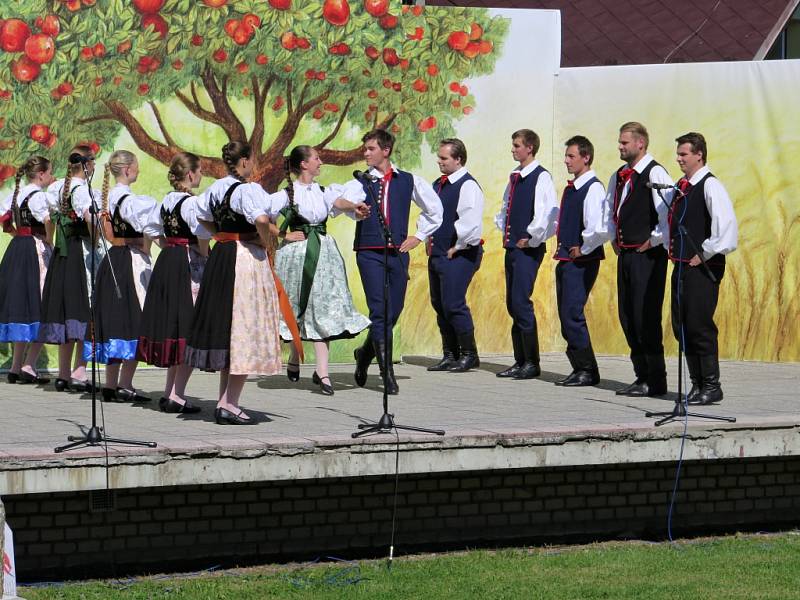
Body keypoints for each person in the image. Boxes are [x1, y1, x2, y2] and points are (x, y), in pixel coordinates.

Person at [185, 141, 294, 425]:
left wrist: (222, 234)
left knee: (230, 329)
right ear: (244, 162)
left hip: (222, 256)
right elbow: (260, 219)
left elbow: (200, 217)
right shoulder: (249, 190)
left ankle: (225, 402)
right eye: (252, 161)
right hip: (243, 261)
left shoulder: (216, 189)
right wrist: (268, 240)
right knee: (243, 328)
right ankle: (230, 403)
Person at [344, 128, 443, 395]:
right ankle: (387, 373)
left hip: (398, 253)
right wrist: (353, 208)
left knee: (393, 312)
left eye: (371, 149)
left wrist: (419, 236)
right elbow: (340, 201)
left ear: (385, 151)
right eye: (365, 149)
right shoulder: (361, 181)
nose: (365, 153)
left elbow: (435, 210)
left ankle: (364, 354)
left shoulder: (408, 180)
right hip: (369, 252)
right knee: (379, 312)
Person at [270, 145, 370, 396]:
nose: (320, 162)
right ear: (304, 164)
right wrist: (283, 234)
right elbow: (260, 217)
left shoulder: (323, 191)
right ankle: (295, 353)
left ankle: (322, 372)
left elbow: (338, 201)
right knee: (297, 307)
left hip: (323, 256)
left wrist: (354, 206)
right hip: (295, 258)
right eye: (316, 158)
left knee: (322, 308)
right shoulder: (287, 194)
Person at [137, 152, 209, 413]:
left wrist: (167, 245)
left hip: (168, 260)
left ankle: (171, 393)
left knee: (176, 327)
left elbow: (150, 230)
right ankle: (177, 394)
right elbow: (202, 234)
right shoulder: (193, 203)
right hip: (187, 263)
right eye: (199, 170)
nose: (201, 175)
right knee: (189, 327)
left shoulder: (166, 201)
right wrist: (206, 255)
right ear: (190, 174)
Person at [669, 132, 737, 405]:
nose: (679, 159)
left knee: (699, 324)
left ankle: (711, 385)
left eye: (684, 154)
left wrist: (704, 253)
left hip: (702, 267)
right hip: (683, 265)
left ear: (699, 154)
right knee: (682, 325)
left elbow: (726, 229)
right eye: (679, 154)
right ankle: (697, 384)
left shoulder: (710, 186)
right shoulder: (682, 186)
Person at [84, 150, 156, 403]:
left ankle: (111, 384)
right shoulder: (129, 199)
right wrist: (141, 240)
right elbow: (147, 228)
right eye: (136, 166)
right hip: (129, 261)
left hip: (112, 259)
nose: (138, 170)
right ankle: (124, 384)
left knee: (116, 321)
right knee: (135, 320)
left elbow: (106, 233)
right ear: (127, 170)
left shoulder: (106, 197)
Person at [607, 122, 673, 397]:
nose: (620, 147)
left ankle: (655, 379)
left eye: (625, 142)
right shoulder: (621, 174)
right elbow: (611, 207)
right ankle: (641, 374)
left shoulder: (654, 171)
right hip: (627, 253)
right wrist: (614, 237)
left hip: (647, 256)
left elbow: (667, 211)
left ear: (640, 144)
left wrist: (654, 239)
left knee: (645, 315)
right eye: (620, 142)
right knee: (628, 316)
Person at [38, 145, 104, 392]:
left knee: (68, 312)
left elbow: (49, 218)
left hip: (62, 254)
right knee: (85, 310)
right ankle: (78, 372)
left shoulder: (56, 188)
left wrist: (50, 240)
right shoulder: (83, 191)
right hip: (80, 253)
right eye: (94, 162)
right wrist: (97, 241)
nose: (95, 166)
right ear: (86, 165)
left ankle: (63, 374)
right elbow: (90, 217)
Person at [494, 129, 558, 380]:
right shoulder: (516, 177)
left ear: (529, 148)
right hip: (513, 247)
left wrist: (532, 237)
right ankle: (520, 360)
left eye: (517, 145)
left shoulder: (540, 177)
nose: (513, 149)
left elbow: (547, 214)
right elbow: (505, 208)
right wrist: (507, 231)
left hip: (527, 249)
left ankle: (531, 362)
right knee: (513, 303)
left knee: (521, 301)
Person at [554, 136, 610, 386]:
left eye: (571, 156)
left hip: (581, 261)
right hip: (567, 259)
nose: (566, 160)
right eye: (566, 156)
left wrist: (584, 248)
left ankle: (587, 369)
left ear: (586, 157)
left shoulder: (593, 188)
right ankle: (580, 367)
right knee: (566, 315)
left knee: (572, 313)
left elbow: (599, 227)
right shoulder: (575, 187)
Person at [427, 138, 484, 373]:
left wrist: (457, 246)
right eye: (439, 157)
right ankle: (450, 353)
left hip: (460, 253)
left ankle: (469, 354)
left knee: (453, 303)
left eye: (444, 158)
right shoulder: (438, 185)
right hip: (439, 252)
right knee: (439, 303)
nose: (439, 161)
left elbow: (470, 220)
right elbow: (432, 215)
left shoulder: (467, 185)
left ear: (458, 159)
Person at [0, 156, 55, 384]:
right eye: (50, 172)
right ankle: (28, 364)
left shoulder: (16, 193)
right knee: (44, 304)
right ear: (41, 174)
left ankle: (15, 366)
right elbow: (48, 220)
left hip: (17, 249)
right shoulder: (39, 196)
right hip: (35, 249)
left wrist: (14, 233)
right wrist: (49, 240)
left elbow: (4, 219)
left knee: (21, 304)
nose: (52, 176)